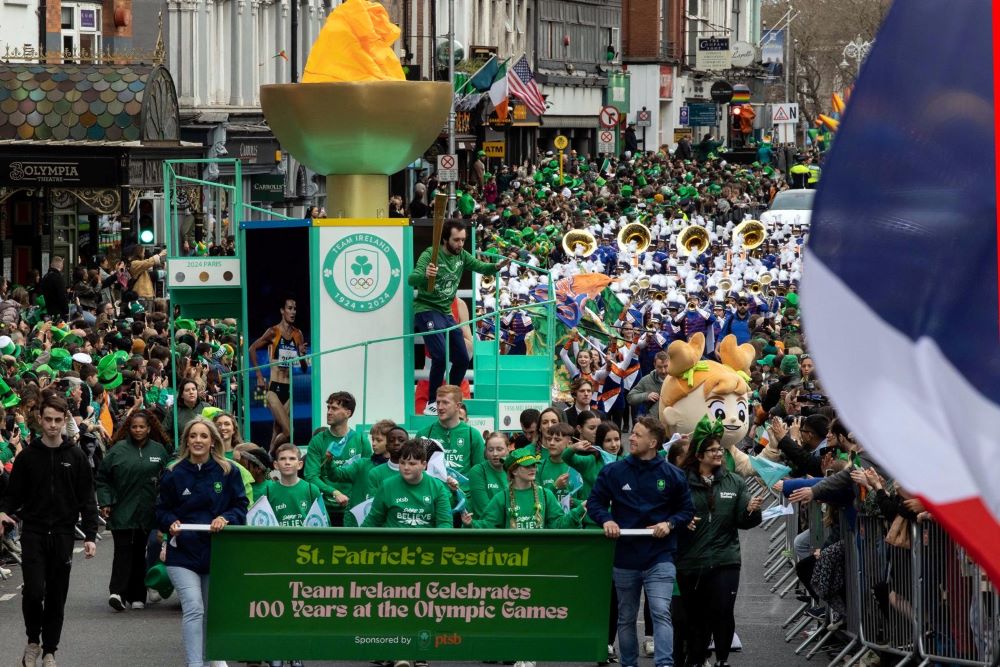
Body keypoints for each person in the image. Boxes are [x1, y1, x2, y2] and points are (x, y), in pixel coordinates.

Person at [587, 416, 695, 667]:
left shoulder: (673, 474)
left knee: (660, 611)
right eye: (632, 433)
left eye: (637, 434)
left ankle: (664, 664)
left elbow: (686, 511)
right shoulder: (614, 471)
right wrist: (606, 520)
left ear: (653, 442)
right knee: (625, 616)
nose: (630, 438)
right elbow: (595, 503)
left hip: (660, 555)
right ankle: (628, 664)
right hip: (625, 557)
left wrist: (668, 524)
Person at [0, 394, 98, 667]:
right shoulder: (28, 457)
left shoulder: (76, 456)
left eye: (58, 420)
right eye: (48, 420)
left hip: (64, 534)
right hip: (34, 532)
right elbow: (13, 494)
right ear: (40, 421)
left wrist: (90, 536)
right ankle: (33, 641)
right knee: (33, 591)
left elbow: (87, 497)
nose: (53, 425)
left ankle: (50, 651)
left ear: (64, 420)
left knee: (56, 594)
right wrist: (3, 512)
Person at [155, 417, 247, 667]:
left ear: (212, 441)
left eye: (203, 436)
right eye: (193, 435)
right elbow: (161, 510)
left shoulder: (228, 471)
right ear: (186, 440)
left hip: (216, 551)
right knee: (194, 607)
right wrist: (170, 522)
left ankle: (214, 658)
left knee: (212, 612)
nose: (198, 440)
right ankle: (195, 664)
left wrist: (225, 518)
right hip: (182, 553)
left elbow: (240, 506)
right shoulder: (174, 472)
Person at [675, 417, 763, 667]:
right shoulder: (681, 481)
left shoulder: (734, 481)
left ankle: (722, 660)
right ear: (700, 455)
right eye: (713, 450)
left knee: (723, 611)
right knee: (695, 617)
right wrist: (680, 521)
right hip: (691, 560)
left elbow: (744, 522)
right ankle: (696, 658)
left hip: (726, 559)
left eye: (720, 450)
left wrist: (751, 510)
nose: (719, 454)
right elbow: (668, 513)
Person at [408, 219, 509, 415]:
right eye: (456, 240)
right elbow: (412, 278)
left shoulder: (462, 255)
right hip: (427, 309)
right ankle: (433, 402)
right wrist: (426, 275)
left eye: (463, 240)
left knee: (462, 358)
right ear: (445, 239)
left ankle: (450, 397)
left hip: (445, 312)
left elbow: (481, 267)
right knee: (440, 355)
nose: (461, 244)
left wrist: (497, 266)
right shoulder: (431, 254)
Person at [96, 410, 170, 612]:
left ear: (149, 428)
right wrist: (106, 502)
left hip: (148, 511)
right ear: (129, 428)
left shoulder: (159, 451)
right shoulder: (117, 450)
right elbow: (102, 479)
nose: (138, 430)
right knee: (122, 550)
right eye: (134, 426)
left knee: (139, 552)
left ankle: (138, 595)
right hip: (122, 510)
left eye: (142, 427)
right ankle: (117, 592)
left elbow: (169, 481)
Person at [247, 296, 308, 450]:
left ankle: (269, 458)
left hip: (288, 390)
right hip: (273, 389)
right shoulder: (273, 332)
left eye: (295, 308)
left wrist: (301, 356)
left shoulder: (297, 334)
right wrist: (260, 376)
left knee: (277, 429)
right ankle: (270, 453)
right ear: (282, 311)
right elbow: (252, 349)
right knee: (288, 431)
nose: (293, 312)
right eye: (289, 308)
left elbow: (304, 368)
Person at [303, 391, 371, 526]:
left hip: (353, 508)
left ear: (348, 413)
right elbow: (311, 476)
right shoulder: (318, 441)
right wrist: (334, 492)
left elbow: (367, 475)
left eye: (334, 408)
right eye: (328, 407)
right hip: (324, 508)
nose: (329, 412)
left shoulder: (361, 440)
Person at [362, 439, 452, 529]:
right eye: (402, 463)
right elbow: (373, 520)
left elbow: (444, 523)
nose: (406, 467)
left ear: (424, 465)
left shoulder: (437, 487)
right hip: (393, 542)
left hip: (425, 542)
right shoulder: (387, 485)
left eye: (412, 464)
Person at [416, 385, 484, 485]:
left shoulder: (473, 434)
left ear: (458, 406)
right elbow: (417, 470)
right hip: (434, 496)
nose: (440, 407)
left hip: (464, 495)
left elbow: (479, 474)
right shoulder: (424, 434)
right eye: (438, 402)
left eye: (445, 403)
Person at [264, 443, 325, 527]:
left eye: (292, 458)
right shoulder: (268, 490)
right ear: (276, 465)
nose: (287, 462)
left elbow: (323, 522)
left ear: (300, 464)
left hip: (305, 539)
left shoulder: (312, 489)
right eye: (282, 459)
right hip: (278, 539)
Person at [466, 432, 510, 517]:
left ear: (508, 449)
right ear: (485, 451)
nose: (495, 454)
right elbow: (484, 510)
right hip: (485, 526)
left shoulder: (514, 470)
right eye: (490, 450)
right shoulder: (477, 471)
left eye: (499, 449)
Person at [627, 350, 668, 418]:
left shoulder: (676, 378)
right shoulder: (646, 380)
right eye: (660, 367)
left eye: (666, 366)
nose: (663, 371)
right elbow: (630, 397)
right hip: (653, 423)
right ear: (654, 365)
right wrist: (646, 396)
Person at [164, 379, 206, 445]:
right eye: (187, 390)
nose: (191, 392)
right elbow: (164, 431)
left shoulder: (206, 407)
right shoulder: (174, 411)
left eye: (193, 389)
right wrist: (173, 444)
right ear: (182, 395)